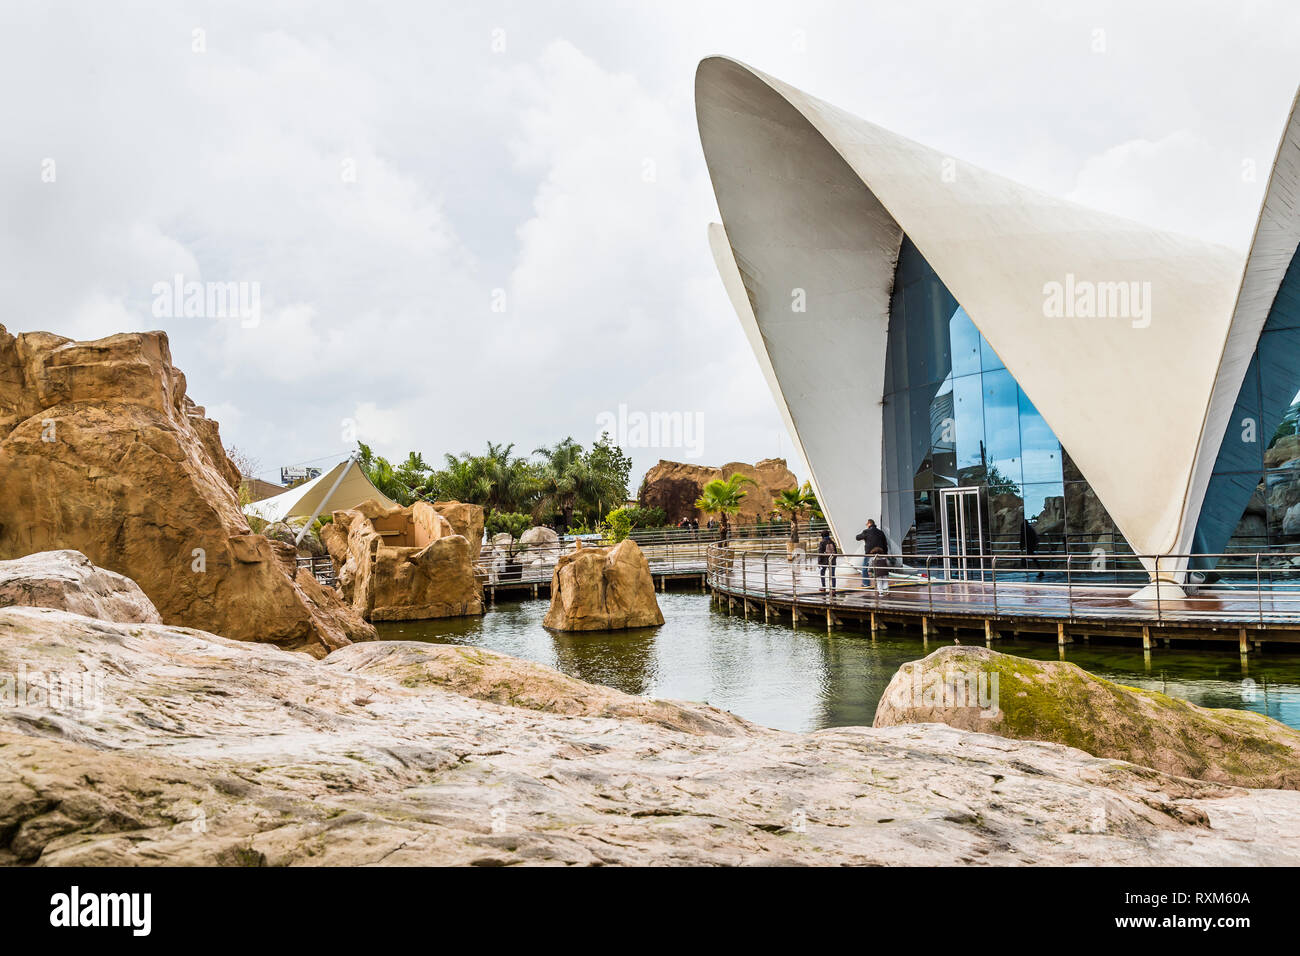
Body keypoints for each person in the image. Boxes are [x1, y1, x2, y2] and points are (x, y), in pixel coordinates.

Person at [855, 519, 888, 586]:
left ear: (869, 523)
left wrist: (864, 537)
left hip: (869, 553)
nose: (866, 526)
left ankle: (866, 583)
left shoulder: (866, 532)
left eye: (867, 524)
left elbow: (857, 537)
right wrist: (885, 554)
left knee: (864, 568)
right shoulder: (880, 532)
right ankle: (883, 586)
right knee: (881, 569)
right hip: (880, 553)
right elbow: (885, 544)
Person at [817, 529, 838, 595]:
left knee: (822, 573)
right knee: (832, 575)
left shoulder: (822, 542)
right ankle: (833, 589)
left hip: (825, 561)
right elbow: (836, 552)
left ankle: (824, 587)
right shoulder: (832, 542)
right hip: (833, 560)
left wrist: (819, 562)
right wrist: (834, 559)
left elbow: (820, 553)